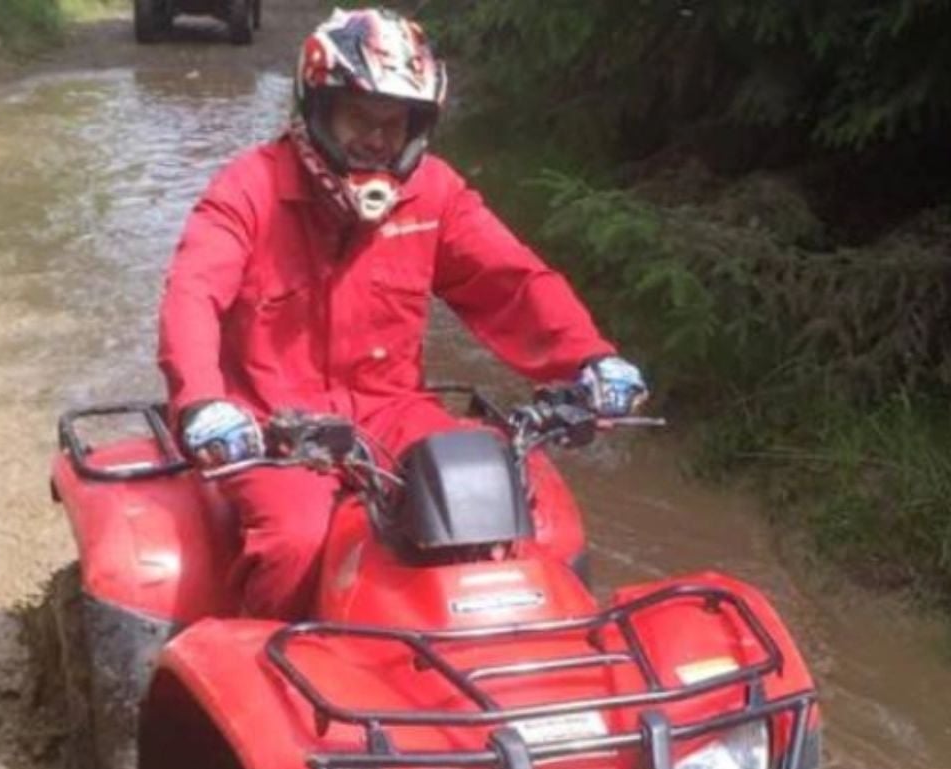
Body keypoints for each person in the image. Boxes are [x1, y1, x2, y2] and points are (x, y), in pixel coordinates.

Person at [157, 7, 647, 620]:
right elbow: (193, 295)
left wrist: (590, 358)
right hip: (272, 425)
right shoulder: (248, 189)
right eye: (360, 118)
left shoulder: (434, 194)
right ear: (318, 108)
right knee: (296, 542)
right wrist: (203, 403)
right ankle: (269, 661)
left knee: (496, 495)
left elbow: (512, 282)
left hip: (391, 411)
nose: (377, 139)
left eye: (395, 123)